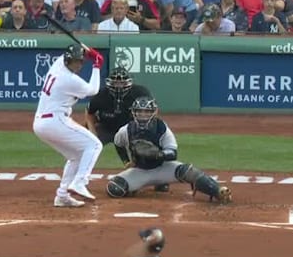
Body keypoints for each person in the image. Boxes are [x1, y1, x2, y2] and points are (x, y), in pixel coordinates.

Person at [107, 96, 233, 204]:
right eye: (139, 111)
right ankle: (148, 185)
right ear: (134, 112)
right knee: (115, 189)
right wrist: (126, 161)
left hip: (163, 167)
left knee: (189, 172)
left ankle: (218, 191)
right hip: (140, 171)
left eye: (147, 111)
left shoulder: (162, 129)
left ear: (154, 112)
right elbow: (118, 144)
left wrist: (158, 154)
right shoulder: (126, 130)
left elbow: (173, 153)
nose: (143, 115)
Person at [33, 44, 105, 207]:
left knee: (76, 156)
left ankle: (62, 195)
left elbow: (78, 48)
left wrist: (89, 52)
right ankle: (80, 182)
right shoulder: (69, 80)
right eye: (75, 62)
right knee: (94, 145)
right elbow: (93, 90)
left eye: (80, 61)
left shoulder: (57, 64)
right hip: (54, 121)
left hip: (42, 123)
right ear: (68, 61)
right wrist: (97, 64)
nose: (78, 65)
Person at [87, 66, 152, 164]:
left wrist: (143, 128)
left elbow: (152, 110)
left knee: (142, 147)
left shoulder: (140, 93)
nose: (119, 86)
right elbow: (89, 112)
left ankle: (137, 165)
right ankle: (81, 167)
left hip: (129, 128)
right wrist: (92, 132)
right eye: (116, 83)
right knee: (87, 144)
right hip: (106, 127)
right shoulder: (101, 95)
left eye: (121, 83)